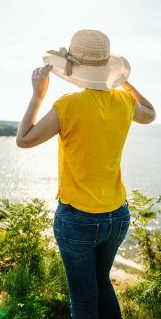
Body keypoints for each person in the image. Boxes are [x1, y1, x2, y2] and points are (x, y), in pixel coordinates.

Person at [16, 29, 156, 319]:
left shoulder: (69, 105)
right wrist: (124, 82)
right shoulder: (124, 102)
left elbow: (24, 139)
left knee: (83, 296)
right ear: (108, 68)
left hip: (78, 219)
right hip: (117, 216)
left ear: (73, 68)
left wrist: (37, 95)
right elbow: (151, 113)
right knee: (102, 283)